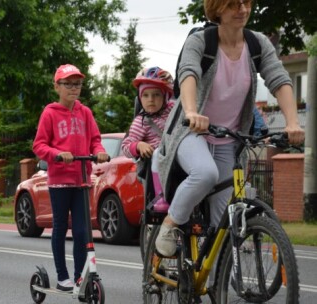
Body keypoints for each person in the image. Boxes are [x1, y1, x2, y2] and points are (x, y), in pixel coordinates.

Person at [155, 0, 305, 257]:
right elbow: (188, 73)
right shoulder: (201, 41)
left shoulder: (257, 44)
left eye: (246, 3)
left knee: (223, 222)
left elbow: (279, 79)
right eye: (233, 4)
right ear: (217, 8)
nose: (243, 10)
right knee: (205, 173)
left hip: (229, 139)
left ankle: (217, 285)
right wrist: (191, 112)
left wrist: (292, 122)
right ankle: (171, 223)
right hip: (191, 133)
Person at [32, 64, 109, 291]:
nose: (73, 88)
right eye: (68, 84)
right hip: (59, 181)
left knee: (82, 231)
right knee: (59, 227)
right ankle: (62, 276)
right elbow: (39, 145)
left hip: (82, 180)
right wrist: (57, 154)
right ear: (57, 86)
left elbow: (95, 139)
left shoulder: (85, 112)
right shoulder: (50, 113)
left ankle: (79, 277)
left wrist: (99, 150)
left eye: (77, 84)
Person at [121, 66, 175, 213]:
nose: (151, 100)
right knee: (157, 153)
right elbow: (126, 146)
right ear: (140, 97)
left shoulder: (174, 110)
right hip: (156, 164)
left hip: (177, 158)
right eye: (146, 95)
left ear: (166, 96)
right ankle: (160, 197)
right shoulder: (141, 121)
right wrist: (139, 145)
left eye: (156, 95)